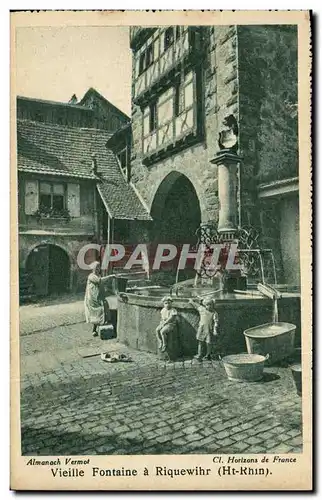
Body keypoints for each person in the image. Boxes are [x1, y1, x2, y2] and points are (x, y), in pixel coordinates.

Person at [84, 261, 115, 337]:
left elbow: (102, 284)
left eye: (98, 267)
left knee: (102, 310)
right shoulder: (91, 276)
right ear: (93, 269)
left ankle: (102, 328)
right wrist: (110, 277)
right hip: (92, 299)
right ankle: (94, 330)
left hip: (99, 297)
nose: (97, 269)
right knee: (97, 312)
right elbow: (99, 281)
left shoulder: (98, 275)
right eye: (96, 267)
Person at [189, 296, 219, 361]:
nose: (209, 306)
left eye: (211, 304)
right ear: (205, 305)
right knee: (200, 341)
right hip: (202, 329)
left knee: (208, 343)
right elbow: (196, 306)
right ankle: (199, 354)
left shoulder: (214, 313)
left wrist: (215, 330)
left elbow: (216, 322)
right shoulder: (202, 309)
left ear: (213, 305)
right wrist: (191, 301)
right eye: (207, 305)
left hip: (209, 329)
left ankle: (208, 355)